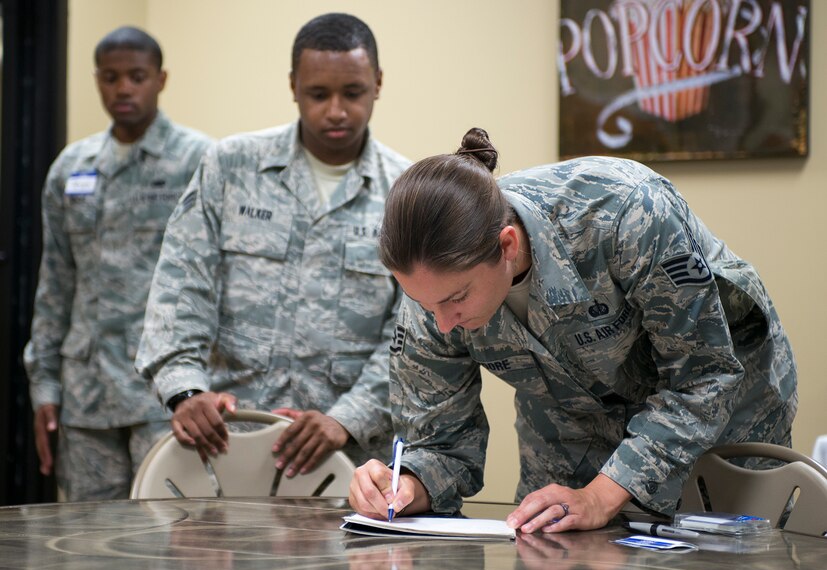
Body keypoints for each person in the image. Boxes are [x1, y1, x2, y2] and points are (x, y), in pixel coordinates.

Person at [348, 127, 798, 532]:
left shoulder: (626, 213)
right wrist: (406, 485)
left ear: (507, 245)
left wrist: (601, 496)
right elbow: (442, 445)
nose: (443, 323)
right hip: (571, 418)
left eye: (457, 299)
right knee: (546, 552)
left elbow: (702, 376)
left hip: (722, 405)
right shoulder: (430, 294)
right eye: (427, 305)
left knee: (728, 561)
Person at [135, 13, 410, 475]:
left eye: (353, 92)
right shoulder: (230, 168)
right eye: (318, 94)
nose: (337, 111)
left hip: (351, 463)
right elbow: (180, 288)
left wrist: (347, 417)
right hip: (226, 445)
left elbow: (412, 336)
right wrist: (186, 390)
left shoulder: (407, 194)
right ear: (293, 85)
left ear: (378, 82)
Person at [23, 26, 211, 501]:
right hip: (86, 394)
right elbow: (56, 281)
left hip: (162, 393)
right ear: (97, 80)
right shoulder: (72, 167)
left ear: (160, 79)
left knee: (170, 540)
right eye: (110, 78)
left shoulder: (199, 159)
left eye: (136, 76)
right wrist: (44, 383)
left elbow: (217, 282)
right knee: (87, 543)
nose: (123, 88)